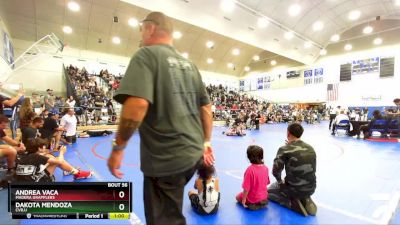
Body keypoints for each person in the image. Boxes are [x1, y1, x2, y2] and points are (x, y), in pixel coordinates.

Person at [107, 12, 214, 225]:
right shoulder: (190, 65)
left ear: (150, 28)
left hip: (166, 159)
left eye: (141, 30)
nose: (140, 35)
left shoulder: (146, 55)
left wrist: (118, 148)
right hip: (193, 155)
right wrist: (206, 142)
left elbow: (137, 104)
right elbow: (207, 107)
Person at [268, 123, 317, 216]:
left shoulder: (284, 149)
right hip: (311, 187)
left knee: (269, 191)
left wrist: (280, 182)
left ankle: (292, 203)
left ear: (288, 133)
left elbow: (275, 171)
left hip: (294, 188)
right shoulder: (310, 148)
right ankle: (305, 198)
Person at [15, 138, 92, 182]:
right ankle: (77, 173)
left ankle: (70, 170)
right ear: (39, 148)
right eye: (43, 146)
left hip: (21, 187)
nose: (45, 147)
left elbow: (41, 156)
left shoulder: (23, 155)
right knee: (56, 160)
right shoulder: (37, 157)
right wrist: (61, 152)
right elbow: (59, 161)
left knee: (49, 157)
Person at [236, 145, 269, 210]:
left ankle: (253, 204)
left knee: (237, 197)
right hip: (264, 197)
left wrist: (244, 200)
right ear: (261, 156)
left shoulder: (250, 170)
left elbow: (246, 188)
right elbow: (266, 183)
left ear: (249, 157)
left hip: (252, 199)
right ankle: (260, 202)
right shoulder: (266, 168)